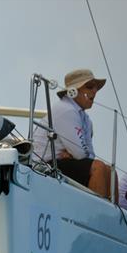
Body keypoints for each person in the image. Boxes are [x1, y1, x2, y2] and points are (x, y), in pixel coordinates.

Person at [32, 69, 115, 201]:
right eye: (89, 86)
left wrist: (73, 156)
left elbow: (87, 155)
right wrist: (76, 156)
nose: (94, 91)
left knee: (111, 172)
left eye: (96, 88)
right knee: (98, 168)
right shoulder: (66, 110)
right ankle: (95, 215)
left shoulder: (86, 119)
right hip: (43, 165)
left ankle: (111, 218)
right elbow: (81, 154)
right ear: (73, 91)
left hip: (60, 163)